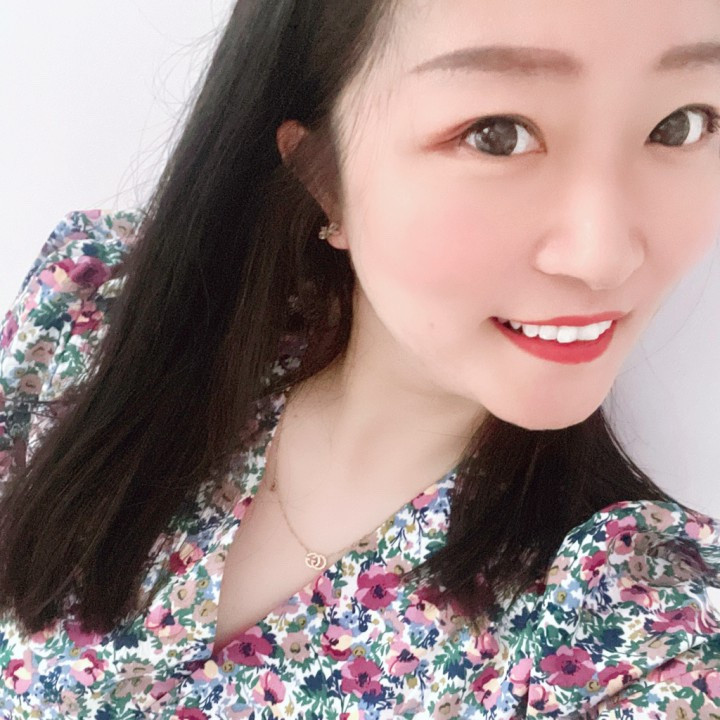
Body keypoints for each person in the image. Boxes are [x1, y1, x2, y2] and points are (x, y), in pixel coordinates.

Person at [1, 1, 720, 717]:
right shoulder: (92, 318)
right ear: (324, 173)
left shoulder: (639, 638)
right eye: (497, 135)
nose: (604, 258)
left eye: (681, 125)